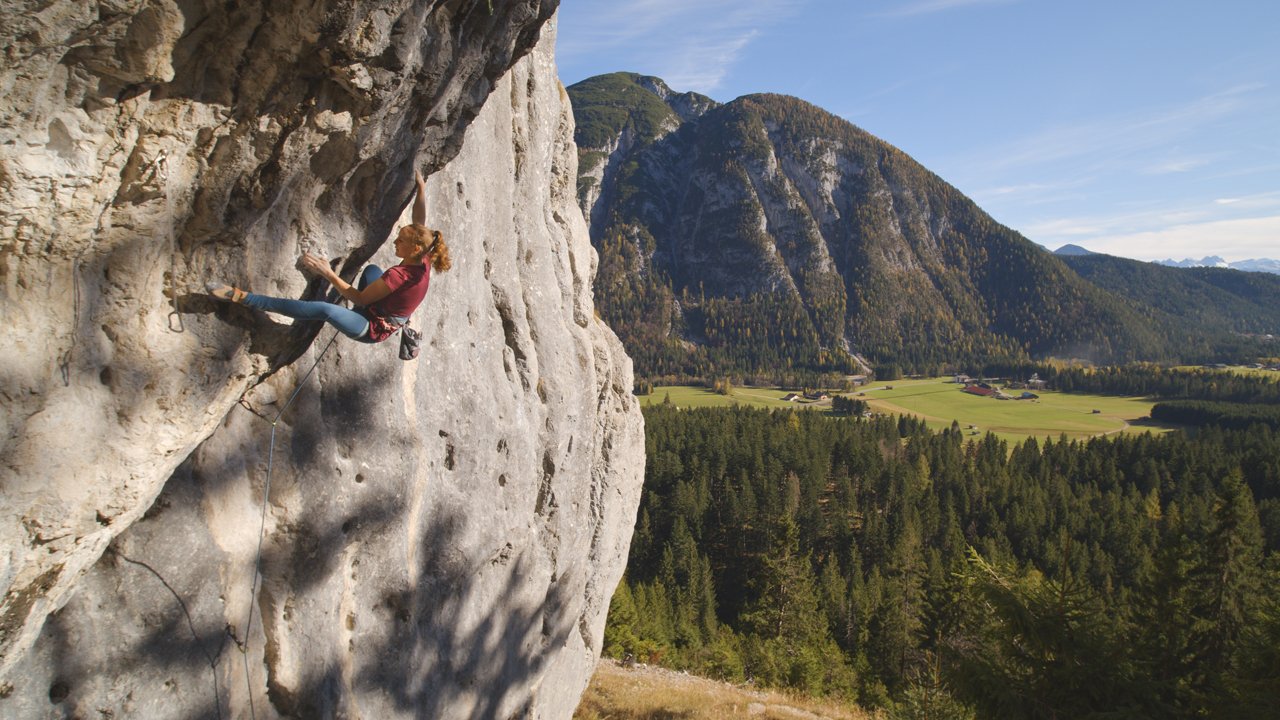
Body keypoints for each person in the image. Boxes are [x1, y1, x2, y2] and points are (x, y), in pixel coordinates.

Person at [208, 170, 450, 343]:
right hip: (384, 307)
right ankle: (364, 307)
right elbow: (420, 221)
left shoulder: (399, 275)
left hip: (373, 327)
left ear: (415, 249)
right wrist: (421, 189)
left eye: (401, 242)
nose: (395, 242)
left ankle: (245, 297)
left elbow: (359, 298)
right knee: (371, 271)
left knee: (326, 310)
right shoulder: (423, 257)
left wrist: (328, 273)